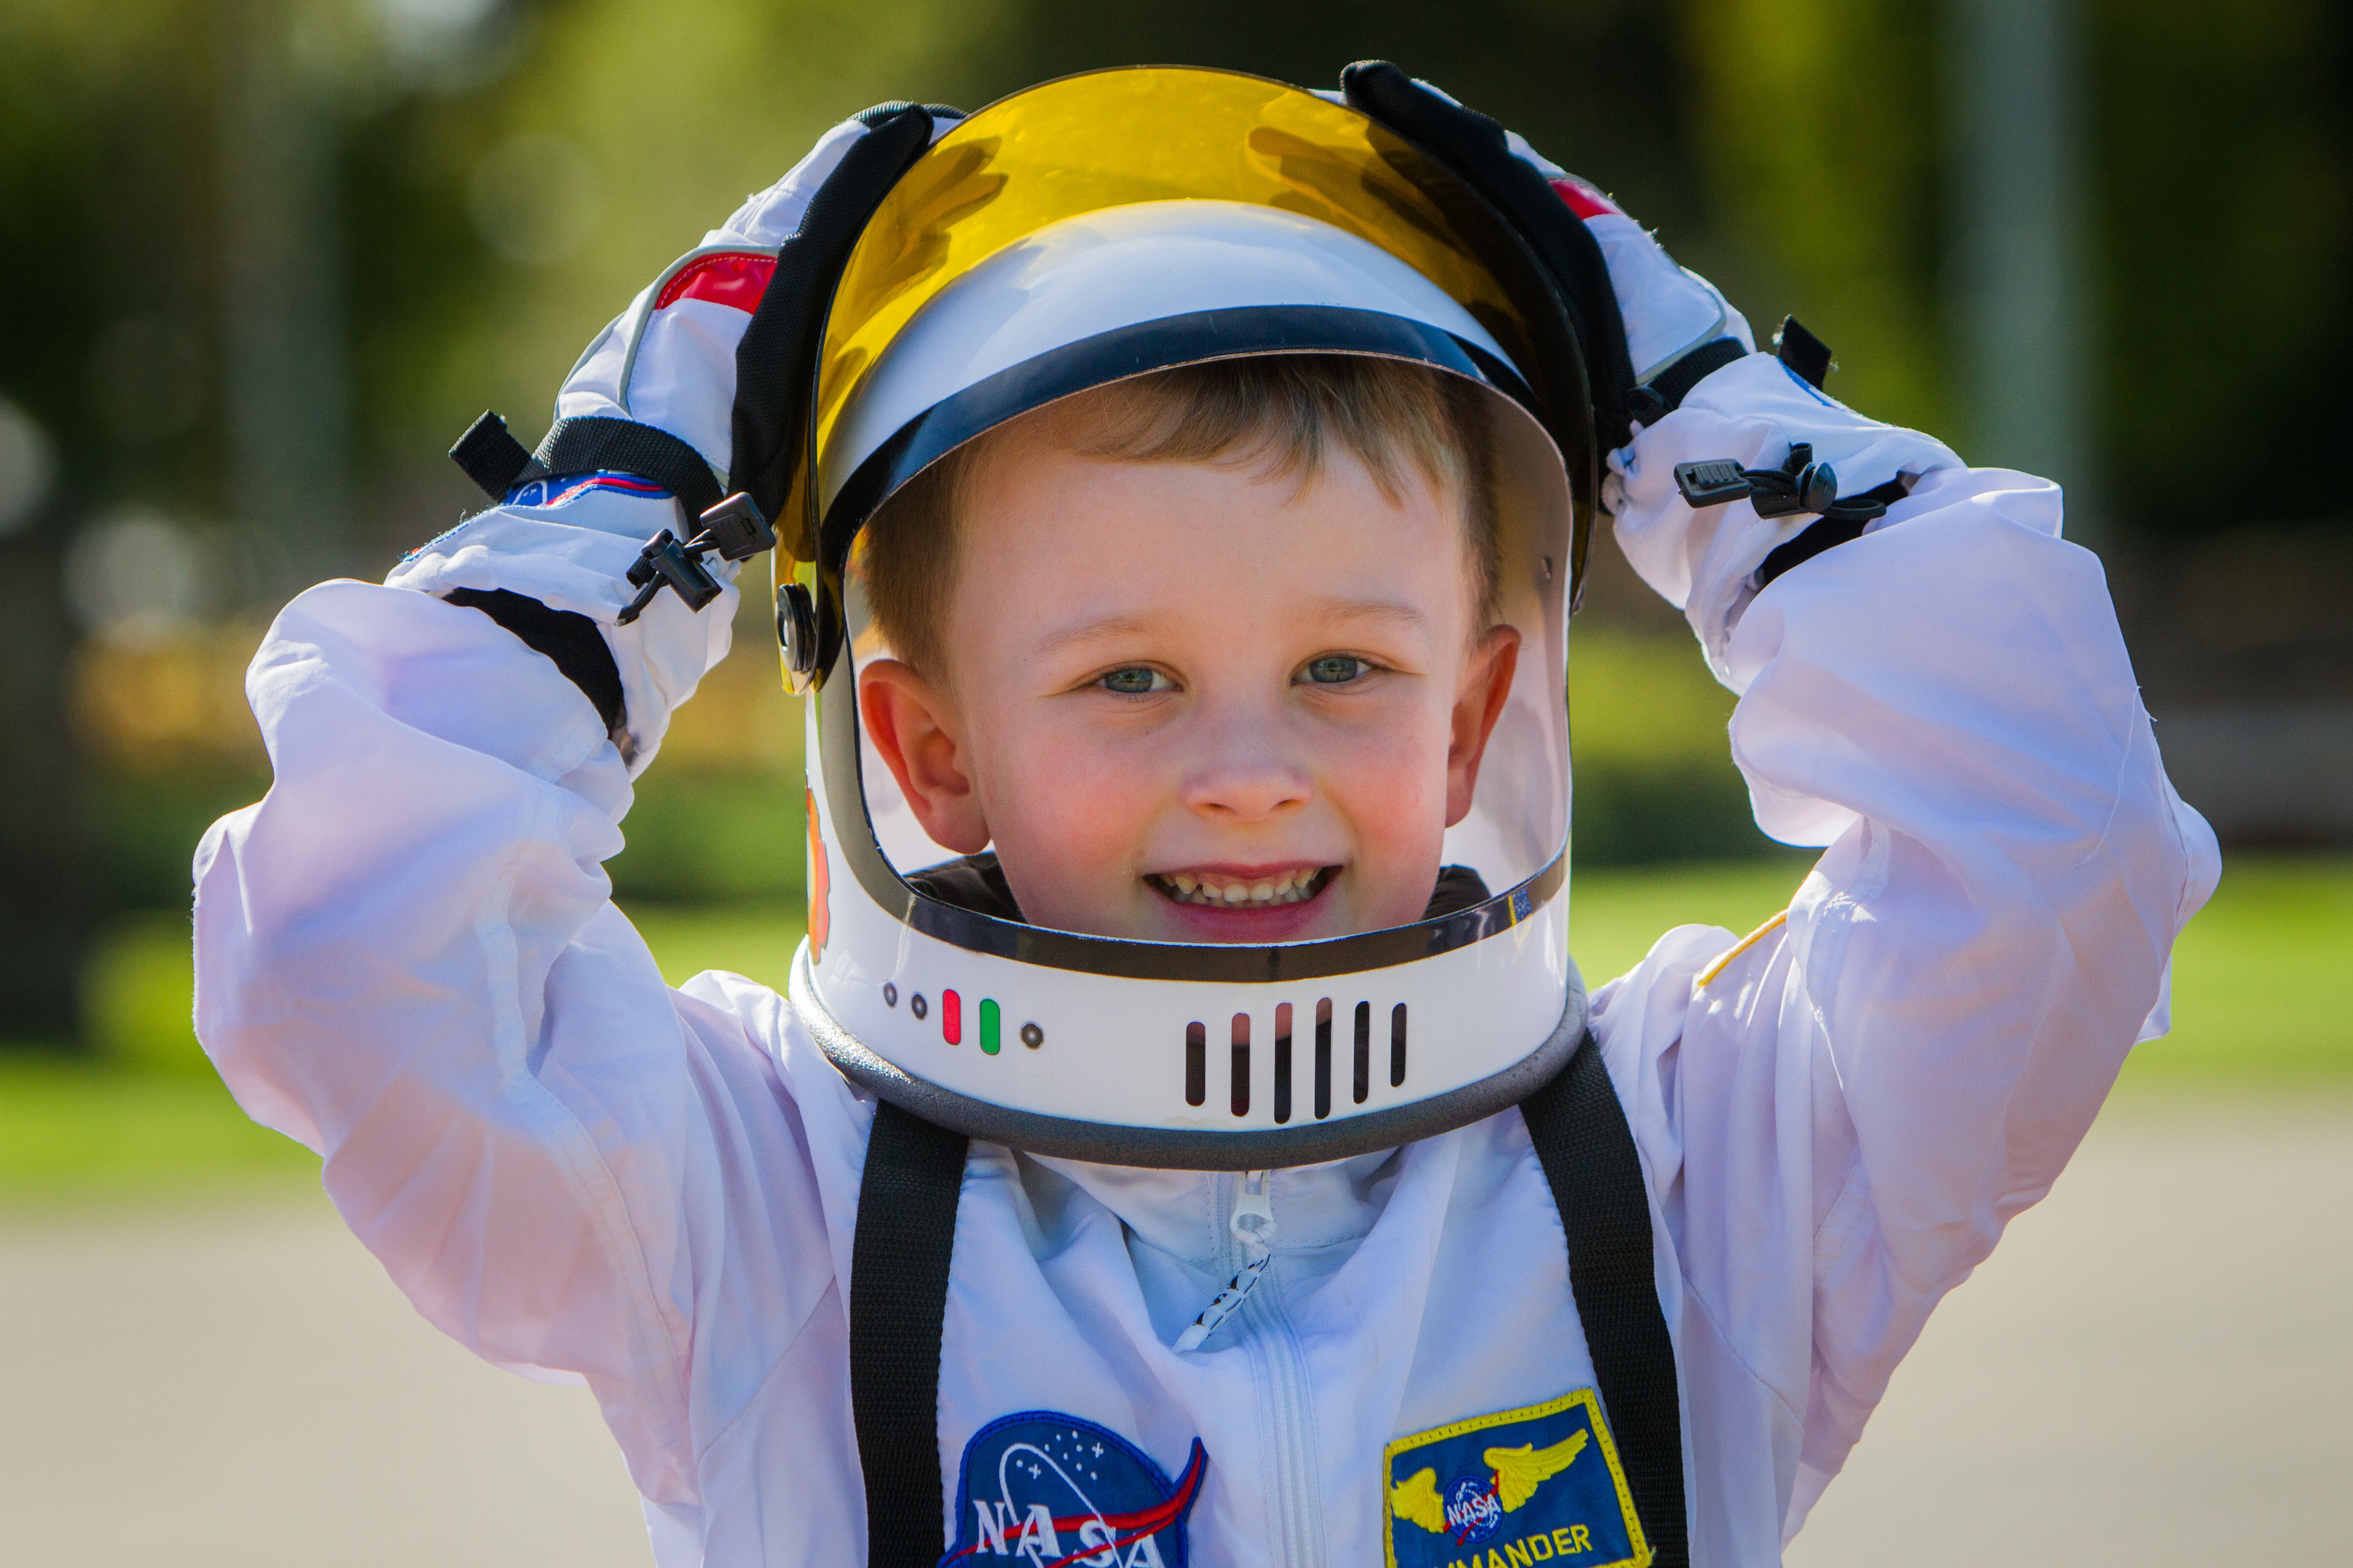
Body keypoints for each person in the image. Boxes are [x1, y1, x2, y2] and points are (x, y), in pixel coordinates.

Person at [193, 65, 2218, 1568]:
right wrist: (620, 516)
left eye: (1344, 668)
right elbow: (348, 963)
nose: (1247, 768)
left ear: (1472, 717)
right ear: (932, 749)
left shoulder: (1702, 1174)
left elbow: (2055, 842)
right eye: (1127, 678)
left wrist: (1701, 416)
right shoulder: (766, 1209)